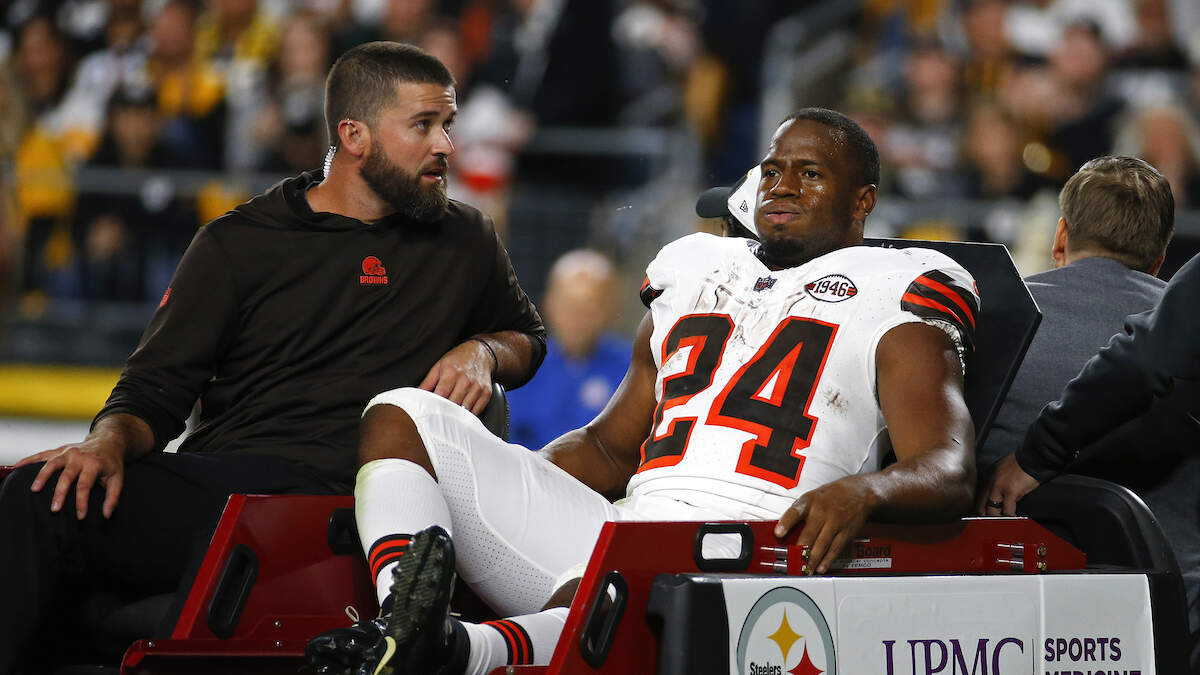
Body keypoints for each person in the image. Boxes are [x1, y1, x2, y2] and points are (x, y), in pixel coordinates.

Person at [308, 108, 980, 675]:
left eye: (811, 173)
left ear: (863, 199)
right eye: (773, 170)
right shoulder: (694, 269)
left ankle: (458, 649)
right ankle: (404, 618)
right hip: (630, 520)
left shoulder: (897, 290)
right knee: (405, 413)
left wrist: (865, 491)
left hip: (748, 542)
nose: (783, 185)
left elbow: (948, 465)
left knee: (603, 580)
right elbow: (607, 445)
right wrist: (501, 487)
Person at [0, 42, 546, 671]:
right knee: (44, 491)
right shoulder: (238, 243)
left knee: (35, 511)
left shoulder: (466, 236)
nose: (447, 145)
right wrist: (106, 444)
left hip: (352, 505)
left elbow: (525, 337)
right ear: (355, 135)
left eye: (447, 124)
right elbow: (153, 390)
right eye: (424, 126)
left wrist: (482, 352)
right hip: (234, 487)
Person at [982, 156, 1174, 469]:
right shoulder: (1183, 327)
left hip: (998, 513)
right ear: (1158, 261)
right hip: (1148, 515)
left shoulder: (987, 307)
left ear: (1060, 239)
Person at [507, 250, 631, 448]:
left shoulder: (633, 368)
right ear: (548, 305)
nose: (577, 318)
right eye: (569, 305)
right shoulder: (521, 363)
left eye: (589, 308)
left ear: (611, 309)